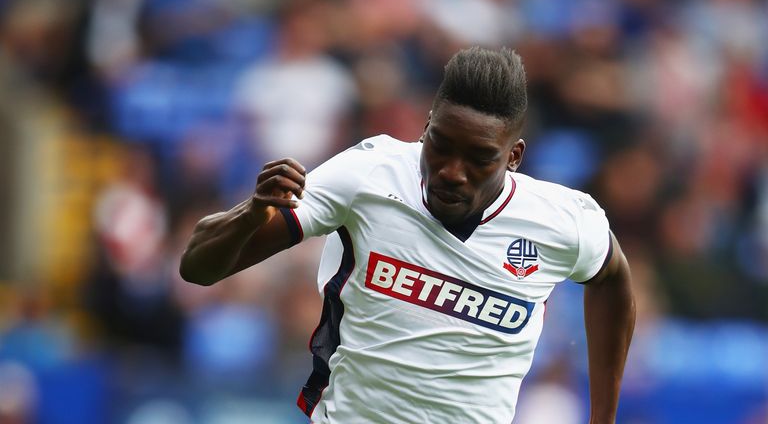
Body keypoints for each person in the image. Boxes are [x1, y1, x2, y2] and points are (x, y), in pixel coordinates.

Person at [179, 47, 635, 424]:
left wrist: (603, 417)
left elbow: (612, 278)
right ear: (425, 127)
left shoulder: (562, 220)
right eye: (440, 146)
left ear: (513, 156)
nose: (451, 172)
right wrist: (251, 213)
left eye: (478, 157)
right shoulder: (368, 175)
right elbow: (197, 267)